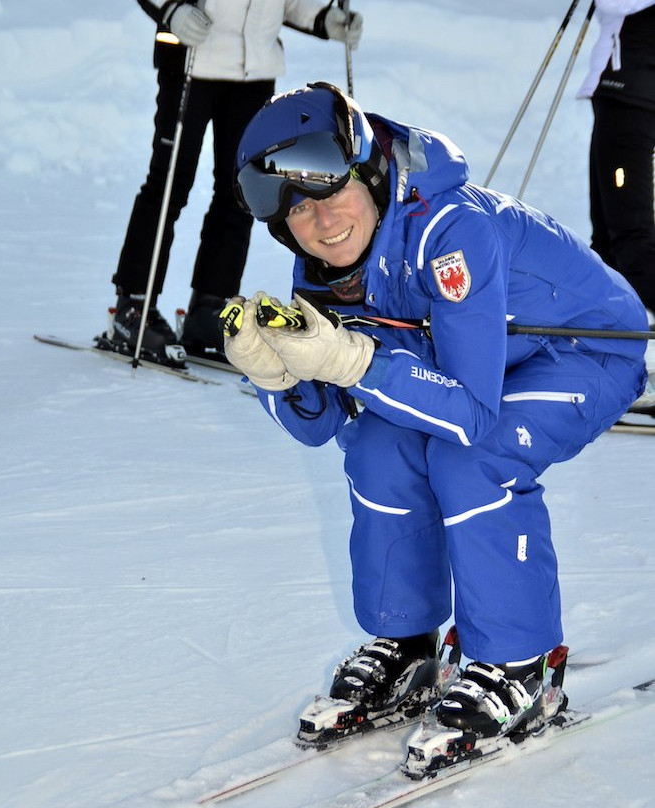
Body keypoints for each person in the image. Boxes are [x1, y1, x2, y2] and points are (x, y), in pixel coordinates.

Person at [222, 83, 648, 747]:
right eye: (297, 213)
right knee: (378, 447)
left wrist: (353, 361)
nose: (321, 223)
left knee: (472, 458)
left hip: (583, 347)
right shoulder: (325, 270)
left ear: (366, 171)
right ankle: (406, 638)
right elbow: (323, 425)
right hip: (480, 361)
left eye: (330, 194)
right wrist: (277, 376)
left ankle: (520, 663)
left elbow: (473, 418)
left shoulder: (452, 231)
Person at [108, 0, 363, 363]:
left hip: (253, 71)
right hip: (191, 56)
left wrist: (323, 18)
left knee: (240, 189)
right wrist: (173, 10)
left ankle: (209, 307)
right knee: (170, 185)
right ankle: (132, 305)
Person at [577, 0, 655, 315]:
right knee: (607, 239)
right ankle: (609, 343)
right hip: (619, 96)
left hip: (632, 100)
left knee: (630, 238)